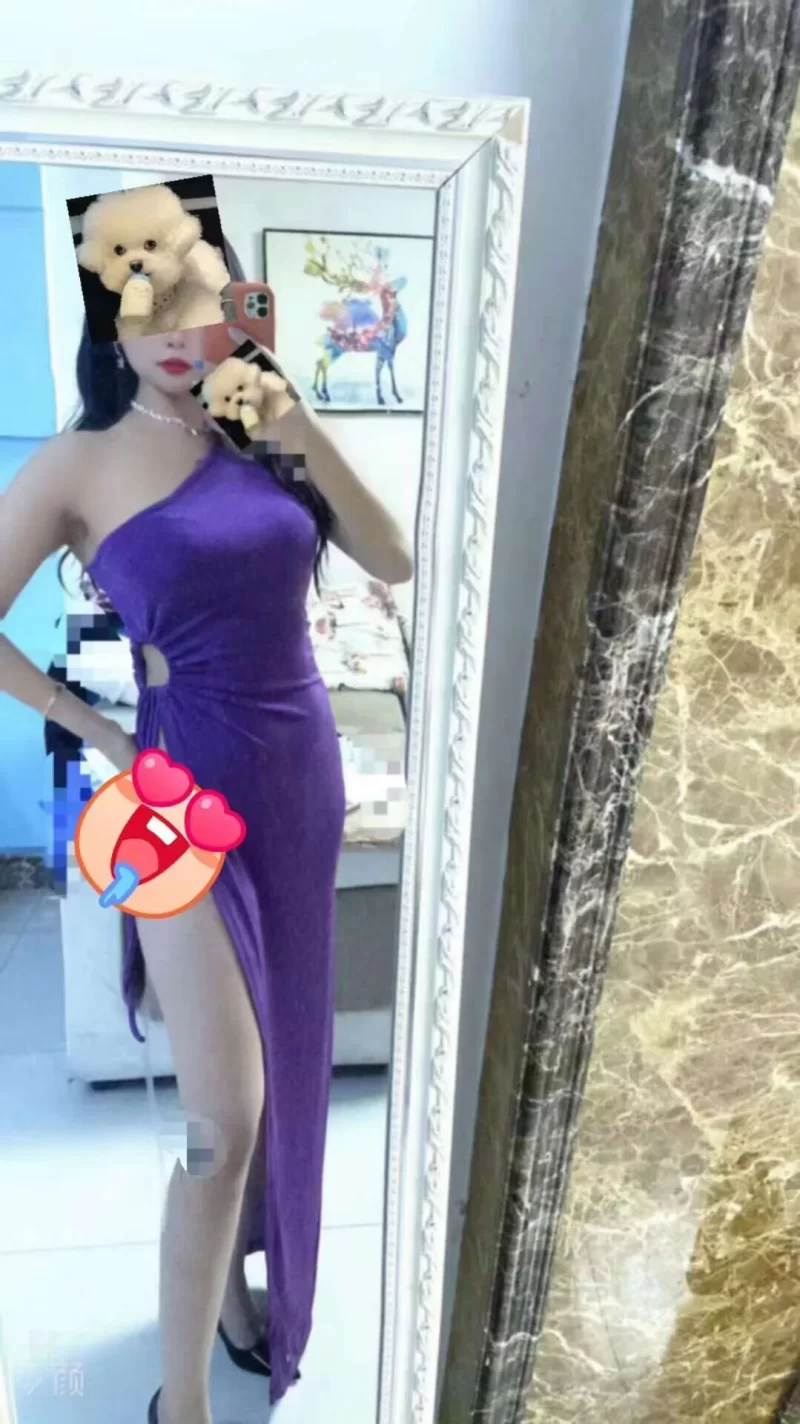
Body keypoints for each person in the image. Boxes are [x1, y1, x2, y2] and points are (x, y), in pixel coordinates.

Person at [0, 321, 414, 1424]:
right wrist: (99, 729)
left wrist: (294, 419)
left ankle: (231, 1298)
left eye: (199, 298)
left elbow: (393, 556)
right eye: (149, 302)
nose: (178, 331)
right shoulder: (77, 461)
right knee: (220, 1119)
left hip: (297, 773)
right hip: (175, 793)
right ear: (109, 311)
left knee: (283, 1058)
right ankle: (176, 1401)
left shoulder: (261, 433)